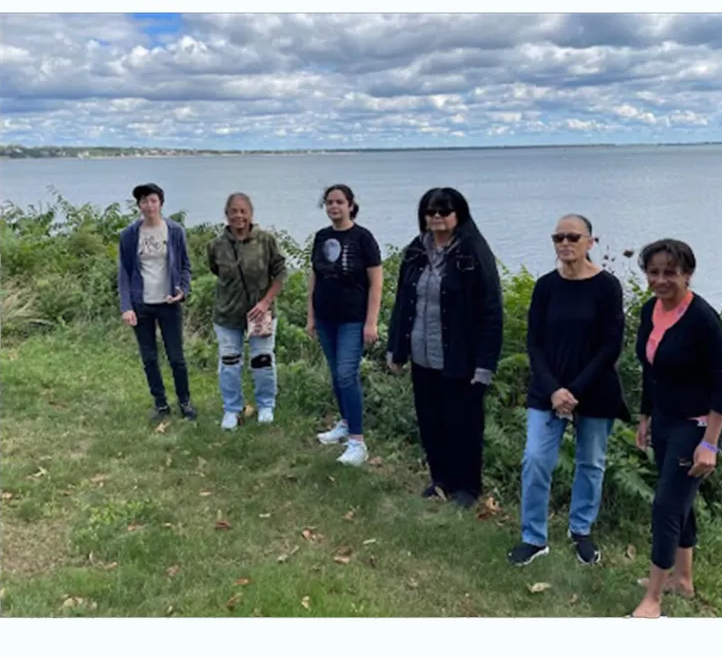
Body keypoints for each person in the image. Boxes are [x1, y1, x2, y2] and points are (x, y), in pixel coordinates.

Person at [508, 214, 631, 567]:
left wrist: (573, 391)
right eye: (558, 237)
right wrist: (553, 391)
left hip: (594, 388)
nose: (565, 243)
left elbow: (611, 347)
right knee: (535, 459)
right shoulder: (545, 286)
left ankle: (581, 531)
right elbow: (534, 343)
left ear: (590, 242)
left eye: (573, 237)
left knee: (591, 463)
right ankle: (534, 538)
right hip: (548, 390)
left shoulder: (607, 287)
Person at [630, 238, 722, 618]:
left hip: (696, 426)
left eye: (670, 273)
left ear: (687, 274)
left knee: (666, 506)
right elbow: (651, 370)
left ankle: (653, 599)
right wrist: (645, 417)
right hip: (665, 422)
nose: (660, 280)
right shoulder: (649, 310)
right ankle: (683, 580)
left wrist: (711, 444)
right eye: (653, 272)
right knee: (678, 503)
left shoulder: (703, 319)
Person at [386, 187, 504, 508]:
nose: (437, 217)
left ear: (458, 215)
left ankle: (468, 488)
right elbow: (403, 301)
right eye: (430, 211)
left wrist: (485, 364)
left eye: (444, 211)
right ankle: (441, 480)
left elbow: (490, 309)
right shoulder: (416, 250)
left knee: (463, 424)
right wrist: (396, 349)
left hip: (460, 359)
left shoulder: (471, 253)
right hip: (423, 356)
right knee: (431, 421)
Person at [306, 184, 384, 466]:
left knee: (346, 375)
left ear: (351, 205)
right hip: (326, 317)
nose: (334, 207)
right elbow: (314, 278)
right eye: (329, 202)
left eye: (339, 202)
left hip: (353, 318)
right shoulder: (321, 237)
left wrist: (371, 322)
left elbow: (376, 282)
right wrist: (311, 316)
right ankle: (345, 424)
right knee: (336, 374)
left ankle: (358, 441)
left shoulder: (363, 238)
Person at [206, 192, 288, 430]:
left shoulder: (266, 240)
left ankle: (265, 405)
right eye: (234, 211)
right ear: (226, 214)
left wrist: (265, 302)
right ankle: (232, 409)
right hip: (227, 315)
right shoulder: (216, 246)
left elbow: (281, 272)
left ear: (251, 214)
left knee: (262, 360)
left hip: (260, 314)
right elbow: (216, 270)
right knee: (229, 362)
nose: (238, 216)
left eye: (243, 211)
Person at [117, 182, 196, 422]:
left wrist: (183, 290)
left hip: (169, 303)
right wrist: (126, 306)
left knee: (176, 357)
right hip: (142, 304)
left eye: (153, 200)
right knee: (149, 358)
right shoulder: (129, 235)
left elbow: (185, 266)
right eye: (144, 201)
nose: (149, 205)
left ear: (161, 202)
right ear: (139, 205)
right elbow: (124, 272)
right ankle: (161, 405)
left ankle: (185, 402)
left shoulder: (174, 231)